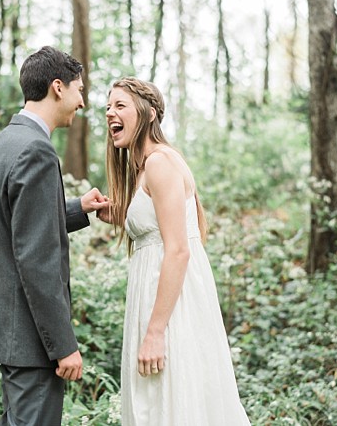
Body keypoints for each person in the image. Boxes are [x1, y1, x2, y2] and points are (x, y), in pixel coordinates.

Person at [102, 77, 250, 425]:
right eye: (108, 107)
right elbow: (158, 227)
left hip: (170, 311)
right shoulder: (145, 168)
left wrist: (155, 332)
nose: (110, 113)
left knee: (173, 404)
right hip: (155, 303)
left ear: (149, 113)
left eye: (120, 105)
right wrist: (123, 216)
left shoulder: (160, 162)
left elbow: (179, 249)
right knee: (155, 404)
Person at [0, 46, 109, 425]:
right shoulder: (37, 151)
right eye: (79, 90)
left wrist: (77, 208)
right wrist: (63, 346)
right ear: (57, 88)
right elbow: (36, 259)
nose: (82, 102)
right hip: (33, 341)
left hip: (10, 332)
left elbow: (16, 226)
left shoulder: (4, 143)